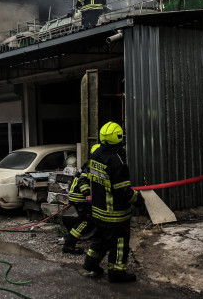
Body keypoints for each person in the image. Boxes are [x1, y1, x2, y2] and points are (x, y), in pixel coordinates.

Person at [79, 121, 142, 283]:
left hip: (98, 211)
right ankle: (116, 273)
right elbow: (123, 190)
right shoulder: (116, 161)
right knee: (119, 243)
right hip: (115, 214)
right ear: (118, 138)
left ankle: (90, 263)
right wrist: (138, 200)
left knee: (100, 238)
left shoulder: (96, 154)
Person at [62, 144, 100, 255]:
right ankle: (69, 244)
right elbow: (82, 181)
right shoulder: (91, 166)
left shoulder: (90, 164)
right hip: (79, 197)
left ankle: (70, 243)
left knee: (87, 220)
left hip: (77, 196)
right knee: (85, 221)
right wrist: (87, 194)